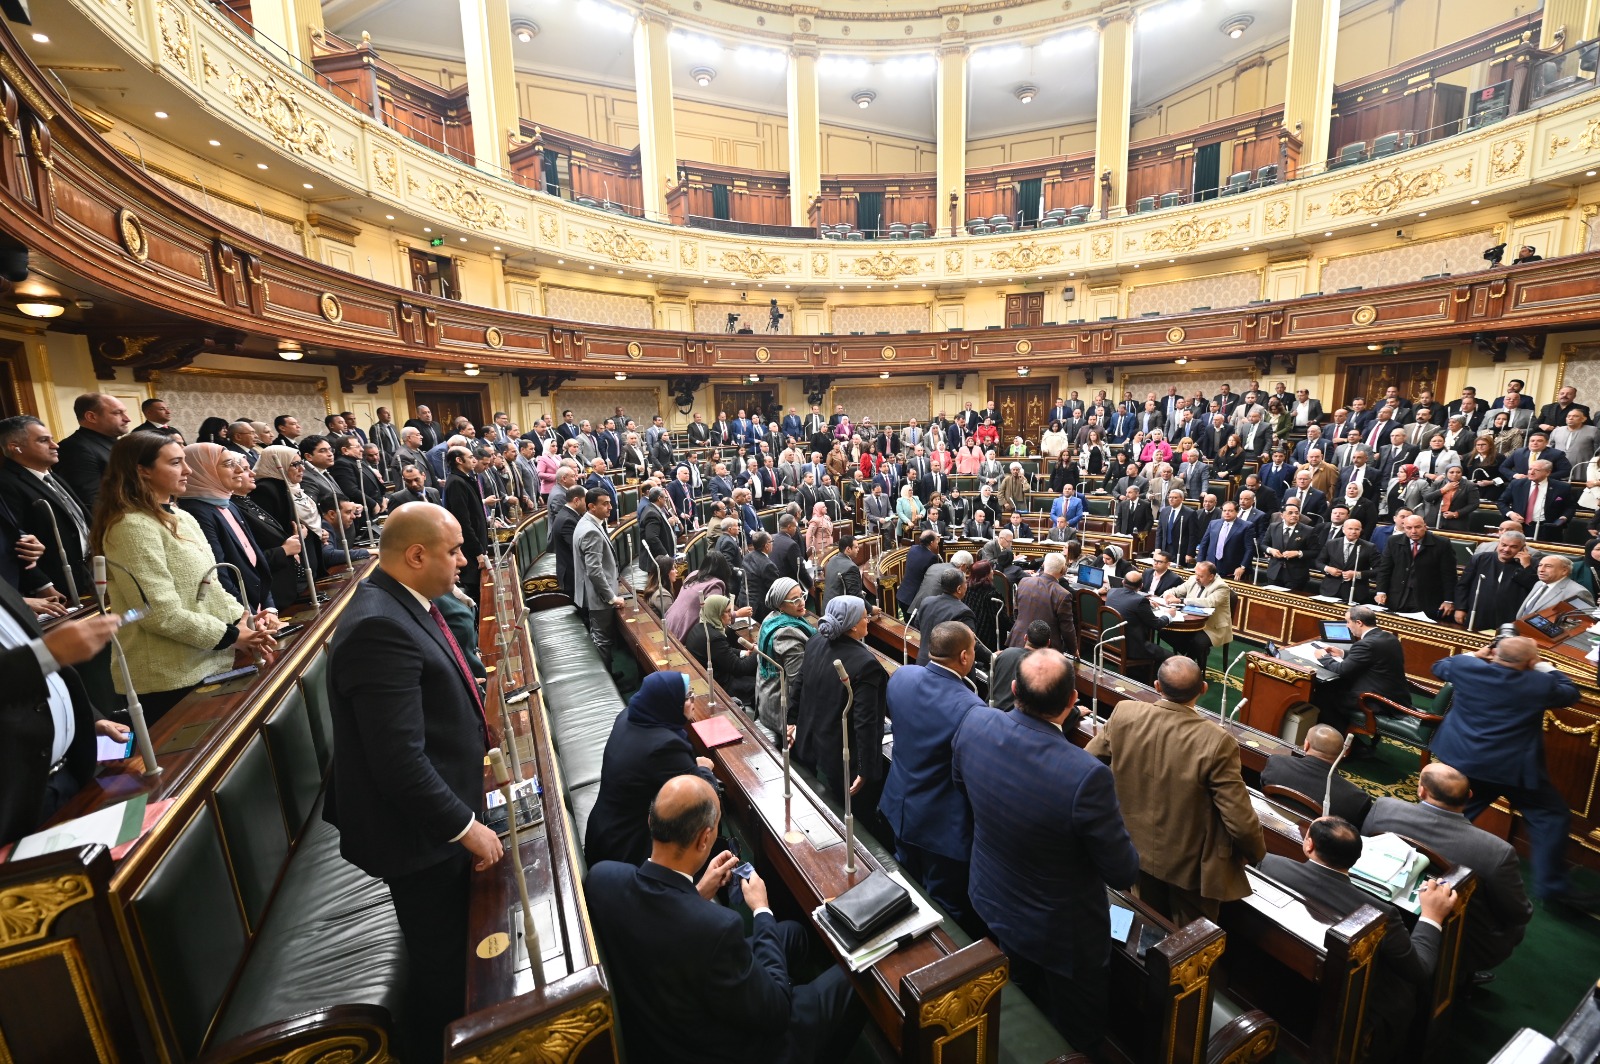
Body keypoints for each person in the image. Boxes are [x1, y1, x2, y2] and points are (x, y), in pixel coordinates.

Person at [323, 503, 502, 1064]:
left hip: (438, 814)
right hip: (418, 839)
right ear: (417, 555)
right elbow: (398, 761)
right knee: (442, 970)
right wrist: (465, 827)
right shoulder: (378, 626)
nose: (464, 559)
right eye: (454, 550)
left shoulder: (405, 603)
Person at [587, 775, 865, 1063]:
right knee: (857, 978)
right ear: (705, 838)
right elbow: (778, 1011)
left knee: (792, 933)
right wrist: (761, 909)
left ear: (650, 821)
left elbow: (661, 919)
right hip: (729, 1047)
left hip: (661, 1009)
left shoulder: (603, 879)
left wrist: (696, 894)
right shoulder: (717, 928)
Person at [952, 650, 1138, 1057]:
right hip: (1061, 933)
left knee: (1020, 987)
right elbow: (1122, 872)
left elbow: (961, 787)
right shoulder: (1086, 775)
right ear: (1072, 700)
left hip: (994, 897)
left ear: (1013, 689)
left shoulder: (975, 723)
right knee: (1079, 1029)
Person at [92, 432, 275, 722]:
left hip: (210, 663)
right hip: (168, 677)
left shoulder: (182, 516)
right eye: (176, 463)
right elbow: (158, 613)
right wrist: (232, 635)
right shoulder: (130, 526)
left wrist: (245, 620)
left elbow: (211, 586)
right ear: (142, 470)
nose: (187, 470)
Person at [1259, 818, 1457, 1060]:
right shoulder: (1380, 914)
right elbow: (1420, 970)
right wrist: (1432, 916)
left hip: (1274, 975)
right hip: (1342, 1007)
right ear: (1356, 859)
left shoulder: (1270, 864)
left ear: (1308, 845)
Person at [1087, 656, 1263, 922]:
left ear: (1157, 686)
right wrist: (1256, 854)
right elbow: (1239, 818)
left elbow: (1087, 764)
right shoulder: (1217, 741)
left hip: (1133, 847)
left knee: (1147, 926)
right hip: (1191, 867)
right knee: (1192, 938)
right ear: (1204, 689)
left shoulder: (1124, 713)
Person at [1430, 638, 1593, 911]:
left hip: (1464, 761)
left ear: (1495, 654)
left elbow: (1439, 666)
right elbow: (1569, 692)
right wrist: (1543, 666)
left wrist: (1476, 654)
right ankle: (1552, 887)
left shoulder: (1465, 667)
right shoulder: (1538, 683)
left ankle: (1427, 861)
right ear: (1529, 662)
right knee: (1549, 816)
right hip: (1513, 769)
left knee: (1450, 815)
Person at [1364, 763, 1532, 983]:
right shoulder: (1496, 851)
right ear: (1469, 796)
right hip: (1456, 939)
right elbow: (1519, 913)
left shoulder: (1383, 808)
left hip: (1381, 914)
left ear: (1421, 790)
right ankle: (1458, 976)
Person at [0, 575, 128, 846]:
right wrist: (47, 654)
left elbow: (44, 669)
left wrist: (87, 718)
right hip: (15, 806)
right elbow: (41, 657)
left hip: (67, 777)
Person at [881, 621, 986, 931]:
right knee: (946, 907)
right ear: (964, 657)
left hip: (900, 806)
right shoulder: (972, 709)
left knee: (907, 885)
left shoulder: (901, 677)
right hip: (942, 826)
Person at [584, 671, 718, 867]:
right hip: (625, 847)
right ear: (670, 703)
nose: (693, 700)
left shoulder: (628, 715)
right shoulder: (665, 747)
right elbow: (703, 797)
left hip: (601, 831)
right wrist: (705, 769)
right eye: (688, 696)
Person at [792, 596, 888, 815]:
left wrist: (791, 719)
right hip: (841, 758)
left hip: (812, 744)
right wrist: (865, 768)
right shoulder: (866, 665)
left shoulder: (815, 641)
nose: (868, 621)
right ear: (853, 625)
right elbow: (865, 722)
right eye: (865, 617)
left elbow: (799, 683)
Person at [176, 443, 280, 619]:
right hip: (240, 616)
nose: (239, 470)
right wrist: (251, 617)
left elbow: (254, 560)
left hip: (257, 609)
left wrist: (269, 608)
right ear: (203, 470)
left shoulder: (228, 504)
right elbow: (220, 575)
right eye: (228, 464)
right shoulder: (196, 512)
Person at [0, 415, 94, 602]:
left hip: (86, 573)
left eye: (51, 439)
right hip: (56, 585)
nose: (55, 445)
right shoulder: (6, 483)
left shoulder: (50, 474)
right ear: (15, 447)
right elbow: (16, 542)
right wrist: (42, 585)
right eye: (43, 440)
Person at [1314, 605, 1411, 741]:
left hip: (1376, 701)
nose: (1347, 626)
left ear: (1359, 622)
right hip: (1396, 695)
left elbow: (1341, 670)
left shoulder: (1366, 644)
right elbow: (1371, 656)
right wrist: (1342, 653)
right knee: (1334, 687)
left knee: (1323, 695)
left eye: (1348, 622)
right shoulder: (1389, 637)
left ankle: (1347, 743)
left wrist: (1323, 657)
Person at [1260, 723, 1373, 826]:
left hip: (1269, 825)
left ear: (1306, 745)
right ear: (1343, 754)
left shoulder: (1276, 763)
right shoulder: (1357, 799)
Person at [232, 459, 308, 611]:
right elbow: (248, 559)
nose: (252, 473)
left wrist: (292, 542)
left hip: (288, 585)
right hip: (272, 594)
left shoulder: (246, 501)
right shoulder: (234, 507)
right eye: (245, 469)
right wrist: (285, 550)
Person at [755, 578, 814, 736]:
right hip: (781, 710)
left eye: (802, 596)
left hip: (765, 696)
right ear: (780, 605)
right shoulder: (786, 633)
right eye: (794, 600)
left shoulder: (771, 619)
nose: (802, 602)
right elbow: (798, 682)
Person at [574, 489, 625, 668]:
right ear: (591, 506)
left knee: (600, 637)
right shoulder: (591, 531)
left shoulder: (586, 522)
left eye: (610, 503)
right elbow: (594, 571)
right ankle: (606, 679)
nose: (610, 507)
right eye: (605, 504)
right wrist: (611, 597)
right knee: (602, 640)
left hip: (592, 592)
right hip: (599, 597)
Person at [55, 393, 131, 512]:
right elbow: (91, 501)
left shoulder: (118, 443)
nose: (127, 419)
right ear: (91, 417)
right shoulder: (74, 448)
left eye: (124, 412)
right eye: (117, 413)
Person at [1374, 513, 1456, 617]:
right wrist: (1381, 591)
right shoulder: (1393, 541)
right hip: (1398, 596)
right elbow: (1385, 569)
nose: (1413, 531)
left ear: (1425, 526)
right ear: (1404, 528)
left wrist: (1449, 600)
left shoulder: (1442, 544)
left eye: (1417, 527)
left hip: (1426, 598)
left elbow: (1449, 574)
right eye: (1409, 528)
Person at [1453, 530, 1537, 630]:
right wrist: (1460, 608)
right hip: (1478, 614)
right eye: (1503, 545)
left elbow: (1534, 589)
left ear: (1523, 548)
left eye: (1513, 547)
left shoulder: (1532, 564)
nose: (1506, 549)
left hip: (1509, 618)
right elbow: (1463, 585)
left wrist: (1526, 566)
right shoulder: (1480, 558)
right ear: (1498, 543)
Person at [1162, 561, 1232, 671]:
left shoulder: (1221, 587)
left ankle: (1186, 665)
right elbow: (1176, 591)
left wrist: (1182, 600)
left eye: (1201, 576)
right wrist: (1168, 594)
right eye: (1196, 574)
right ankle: (1198, 654)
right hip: (1191, 623)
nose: (1197, 578)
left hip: (1212, 627)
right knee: (1165, 631)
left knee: (1198, 641)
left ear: (1211, 577)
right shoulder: (1193, 580)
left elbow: (1208, 602)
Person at [442, 447, 488, 602]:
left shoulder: (465, 479)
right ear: (459, 460)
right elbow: (463, 522)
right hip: (469, 551)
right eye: (470, 457)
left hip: (476, 547)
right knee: (476, 591)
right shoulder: (456, 483)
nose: (474, 460)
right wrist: (477, 551)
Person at [1104, 569, 1172, 670]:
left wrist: (1146, 603)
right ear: (1141, 586)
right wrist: (1169, 615)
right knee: (1171, 657)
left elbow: (1128, 600)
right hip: (1132, 648)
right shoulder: (1140, 601)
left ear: (1123, 582)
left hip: (1109, 640)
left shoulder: (1111, 592)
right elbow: (1157, 624)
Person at [1516, 553, 1593, 617]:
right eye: (1540, 565)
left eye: (1548, 566)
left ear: (1564, 571)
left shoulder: (1577, 592)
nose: (1541, 570)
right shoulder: (1538, 584)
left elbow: (1587, 620)